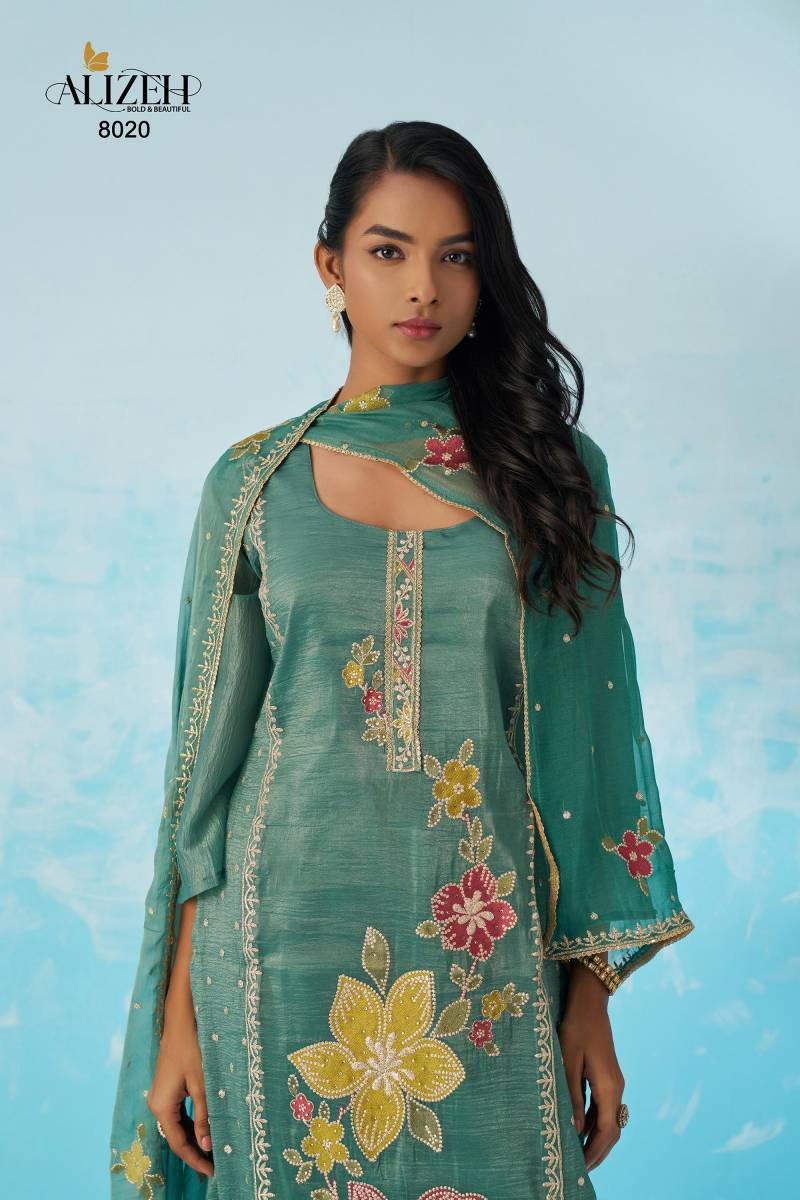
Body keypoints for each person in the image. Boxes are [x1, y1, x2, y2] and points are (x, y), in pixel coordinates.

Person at [109, 120, 695, 1200]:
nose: (422, 286)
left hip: (488, 954)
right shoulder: (253, 482)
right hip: (270, 951)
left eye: (455, 255)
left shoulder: (550, 474)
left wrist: (591, 999)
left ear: (485, 275)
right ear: (330, 266)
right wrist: (179, 1017)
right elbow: (205, 783)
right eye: (387, 251)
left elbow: (590, 750)